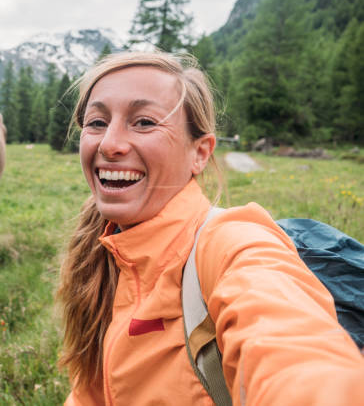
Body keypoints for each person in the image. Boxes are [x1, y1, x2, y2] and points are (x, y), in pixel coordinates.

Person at [57, 51, 364, 405]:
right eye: (96, 122)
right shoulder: (104, 255)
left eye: (143, 122)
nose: (109, 144)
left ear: (199, 153)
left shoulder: (234, 244)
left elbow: (294, 352)